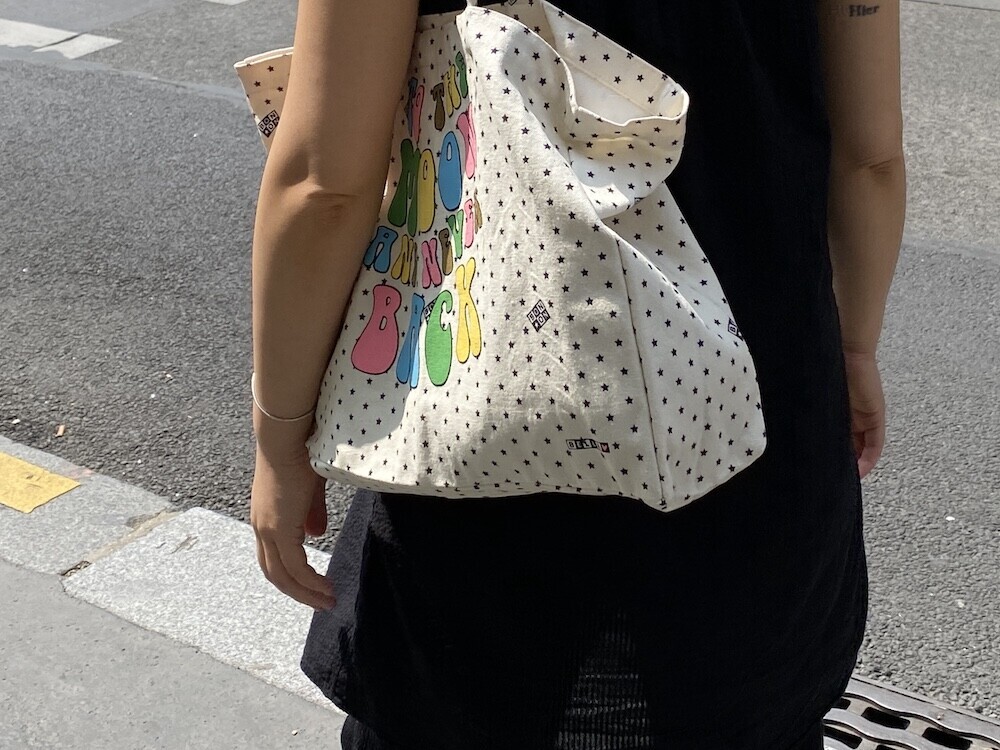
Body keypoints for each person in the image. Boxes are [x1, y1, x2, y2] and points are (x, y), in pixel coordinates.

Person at [248, 0, 906, 747]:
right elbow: (872, 159)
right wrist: (854, 348)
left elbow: (325, 186)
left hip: (491, 468)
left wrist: (280, 437)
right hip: (757, 436)